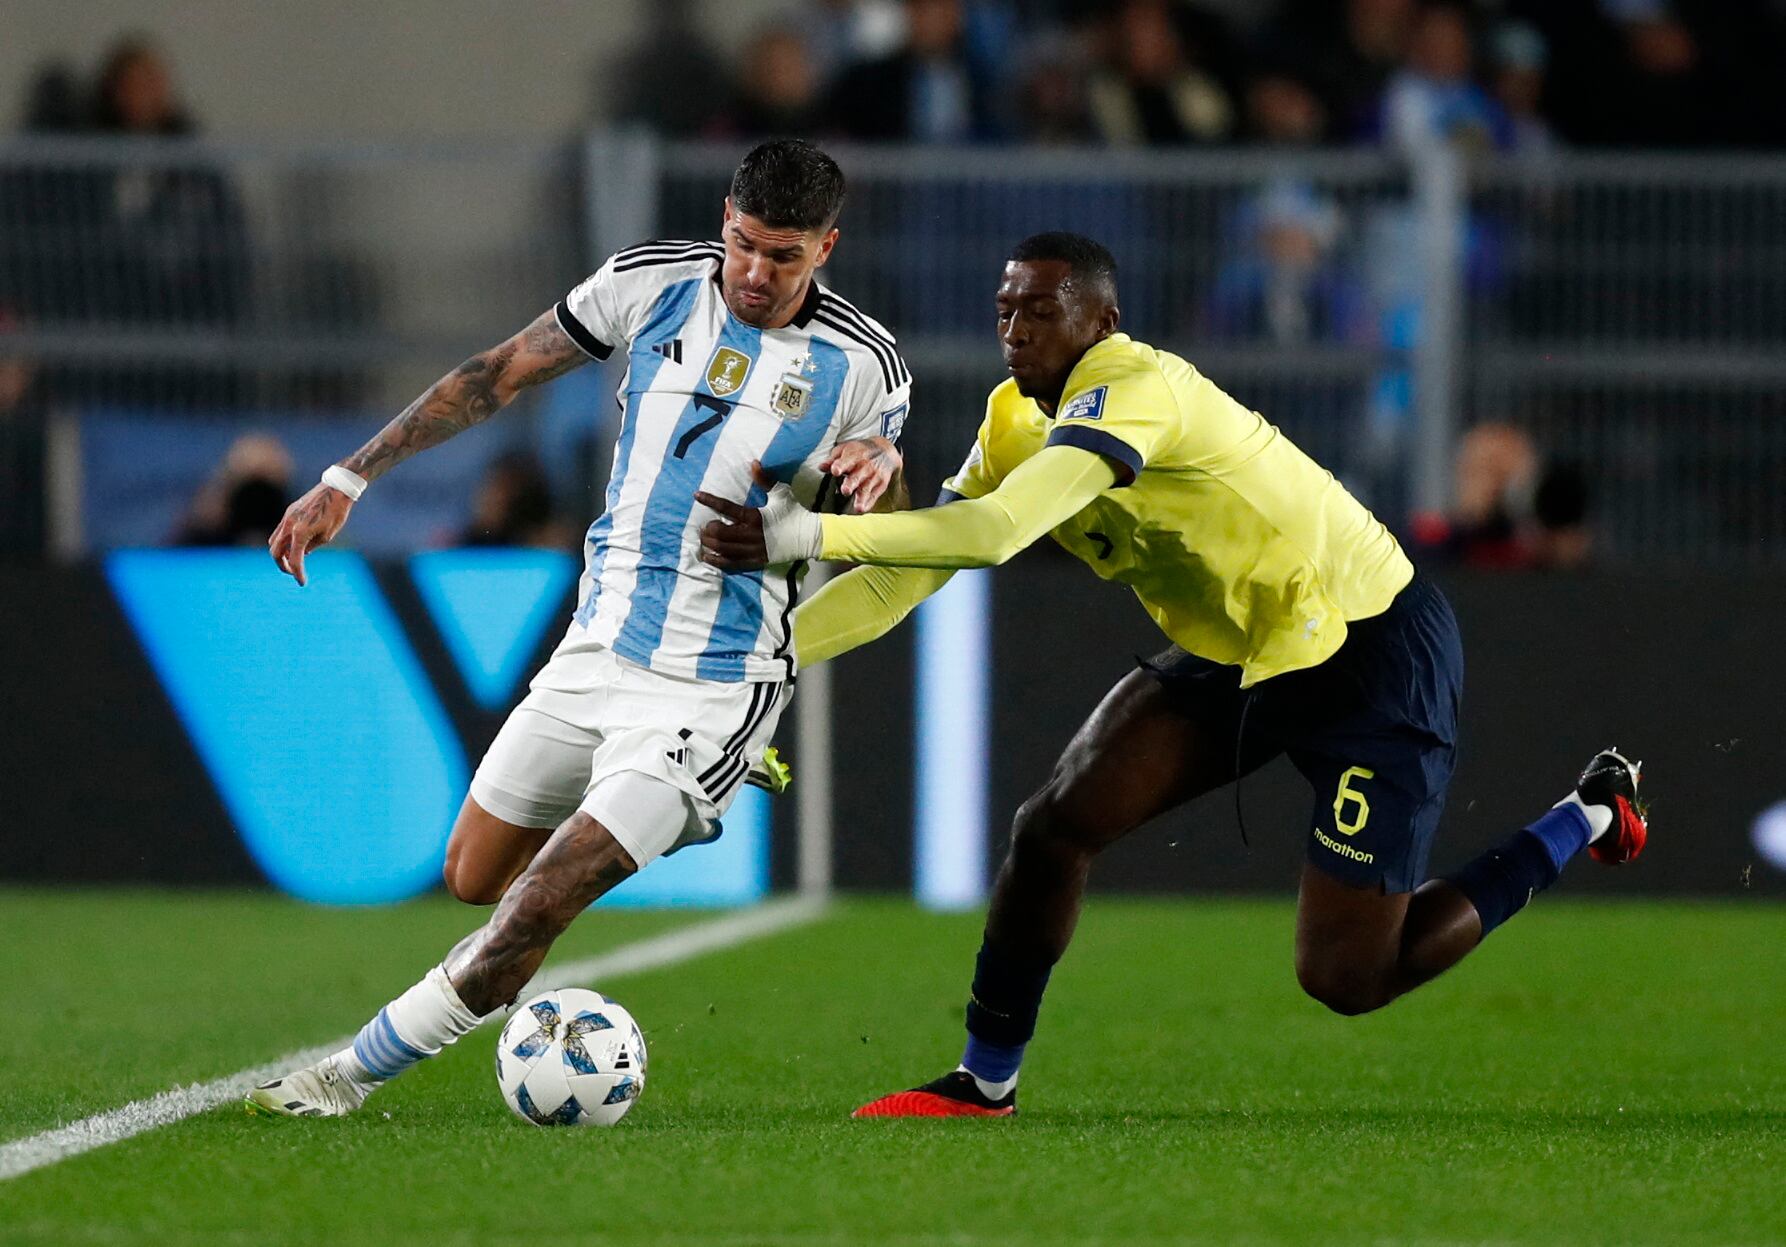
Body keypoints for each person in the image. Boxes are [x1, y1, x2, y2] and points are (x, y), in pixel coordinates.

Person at [696, 232, 1649, 1118]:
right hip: (1240, 650)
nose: (1016, 332)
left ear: (1101, 322)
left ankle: (1587, 814)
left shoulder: (1135, 385)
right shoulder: (1012, 419)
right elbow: (912, 570)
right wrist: (759, 664)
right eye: (1004, 312)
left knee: (1350, 977)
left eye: (1040, 312)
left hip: (1365, 644)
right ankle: (985, 1082)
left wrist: (807, 532)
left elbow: (992, 534)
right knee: (1055, 825)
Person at [247, 140, 911, 1119]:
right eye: (743, 245)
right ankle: (642, 824)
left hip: (716, 679)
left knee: (545, 896)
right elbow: (499, 371)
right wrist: (349, 476)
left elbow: (892, 515)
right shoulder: (649, 283)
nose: (756, 273)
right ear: (723, 222)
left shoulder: (864, 361)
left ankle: (342, 1075)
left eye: (783, 255)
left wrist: (875, 462)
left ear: (826, 249)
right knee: (476, 874)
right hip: (595, 646)